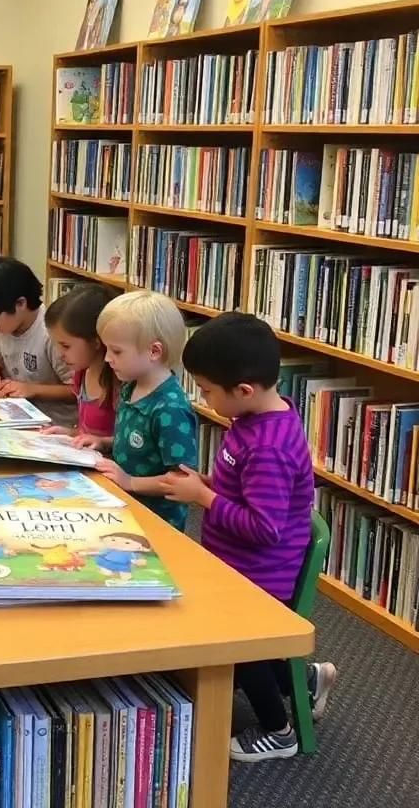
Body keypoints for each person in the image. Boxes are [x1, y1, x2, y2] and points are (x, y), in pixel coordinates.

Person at [160, 313, 337, 762]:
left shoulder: (269, 446)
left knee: (245, 647)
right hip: (237, 566)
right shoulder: (253, 419)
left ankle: (279, 732)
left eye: (206, 390)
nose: (203, 396)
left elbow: (264, 527)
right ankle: (307, 679)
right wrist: (208, 482)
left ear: (243, 390)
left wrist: (203, 496)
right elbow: (242, 489)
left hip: (261, 578)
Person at [79, 290, 199, 531]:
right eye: (106, 350)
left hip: (157, 522)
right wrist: (104, 442)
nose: (108, 359)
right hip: (125, 505)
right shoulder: (130, 386)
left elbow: (181, 479)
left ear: (154, 351)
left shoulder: (171, 409)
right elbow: (141, 442)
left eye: (117, 351)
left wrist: (130, 481)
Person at [0, 257, 72, 415]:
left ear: (20, 303)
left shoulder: (52, 333)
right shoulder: (2, 325)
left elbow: (78, 391)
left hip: (53, 423)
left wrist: (32, 389)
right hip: (12, 413)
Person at [43, 283, 118, 441]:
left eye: (66, 346)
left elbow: (131, 445)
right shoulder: (81, 373)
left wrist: (102, 442)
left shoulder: (118, 382)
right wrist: (69, 433)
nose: (59, 354)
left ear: (96, 341)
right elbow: (87, 432)